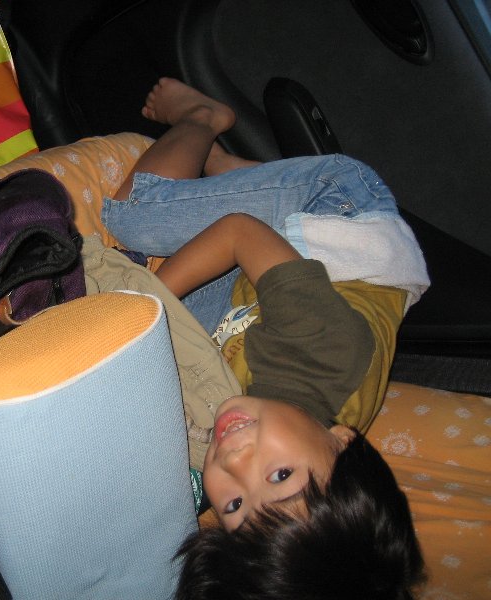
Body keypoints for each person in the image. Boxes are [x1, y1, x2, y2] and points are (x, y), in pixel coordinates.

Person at [102, 78, 426, 598]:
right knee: (134, 218)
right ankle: (204, 118)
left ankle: (228, 170)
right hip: (338, 209)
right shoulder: (323, 349)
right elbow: (238, 231)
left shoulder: (286, 432)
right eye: (279, 477)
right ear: (343, 441)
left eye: (233, 505)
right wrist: (142, 305)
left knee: (182, 332)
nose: (234, 463)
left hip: (270, 295)